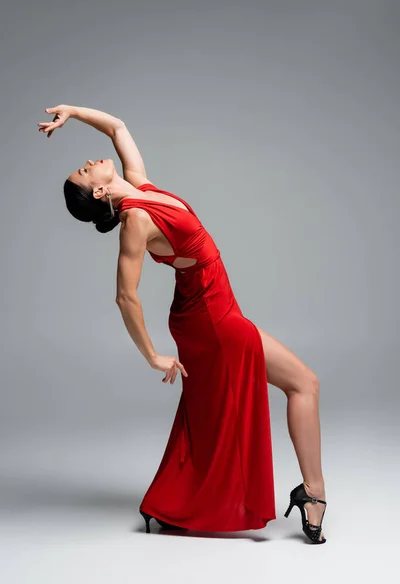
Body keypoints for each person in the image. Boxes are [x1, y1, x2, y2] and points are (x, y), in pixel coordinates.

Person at [38, 104, 327, 543]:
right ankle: (314, 495)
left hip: (208, 311)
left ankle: (176, 501)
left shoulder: (139, 188)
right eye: (85, 170)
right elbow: (124, 295)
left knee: (208, 411)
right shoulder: (135, 220)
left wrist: (72, 112)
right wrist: (152, 355)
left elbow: (117, 127)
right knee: (304, 383)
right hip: (212, 319)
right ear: (98, 193)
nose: (91, 161)